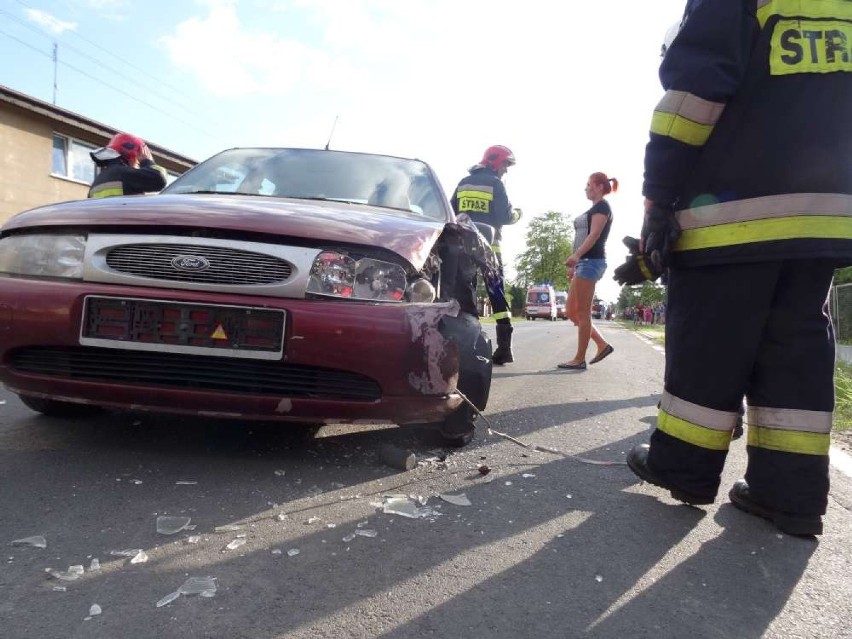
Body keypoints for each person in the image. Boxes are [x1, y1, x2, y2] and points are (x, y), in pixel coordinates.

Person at [617, 0, 852, 537]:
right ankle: (789, 496)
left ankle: (683, 468)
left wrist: (659, 197)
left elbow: (691, 99)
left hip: (732, 213)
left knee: (710, 343)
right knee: (795, 350)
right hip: (824, 219)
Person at [450, 145, 522, 365]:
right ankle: (504, 349)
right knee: (497, 293)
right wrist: (518, 214)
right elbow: (504, 215)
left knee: (466, 292)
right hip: (491, 247)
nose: (506, 170)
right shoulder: (496, 184)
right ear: (495, 162)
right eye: (505, 165)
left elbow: (451, 211)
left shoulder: (463, 182)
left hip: (463, 246)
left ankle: (468, 343)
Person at [557, 172, 617, 370]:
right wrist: (575, 263)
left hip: (592, 262)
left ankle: (579, 358)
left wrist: (576, 257)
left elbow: (594, 235)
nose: (586, 188)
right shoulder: (594, 208)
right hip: (584, 263)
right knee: (571, 312)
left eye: (589, 184)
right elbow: (584, 236)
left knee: (583, 313)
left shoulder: (603, 207)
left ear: (599, 186)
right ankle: (601, 344)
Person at [88, 132, 167, 198]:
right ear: (132, 156)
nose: (137, 166)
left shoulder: (96, 182)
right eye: (138, 161)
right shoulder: (124, 174)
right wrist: (146, 161)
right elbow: (159, 179)